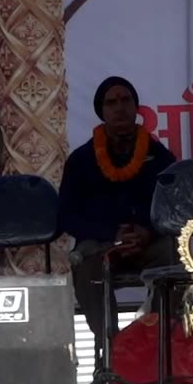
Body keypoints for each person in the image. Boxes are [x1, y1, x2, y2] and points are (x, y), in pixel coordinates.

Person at [58, 76, 176, 352]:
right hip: (102, 244)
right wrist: (111, 235)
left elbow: (174, 207)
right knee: (85, 265)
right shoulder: (81, 160)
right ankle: (110, 352)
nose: (119, 108)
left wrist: (148, 232)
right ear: (102, 111)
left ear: (136, 108)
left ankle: (159, 345)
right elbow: (66, 216)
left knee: (177, 256)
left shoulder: (159, 156)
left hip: (149, 243)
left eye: (126, 101)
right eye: (112, 102)